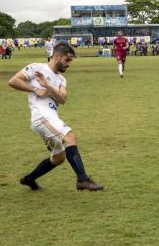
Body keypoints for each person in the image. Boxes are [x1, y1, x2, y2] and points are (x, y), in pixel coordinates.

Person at [8, 42, 103, 191]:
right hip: (41, 116)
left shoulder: (61, 80)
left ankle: (29, 179)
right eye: (67, 60)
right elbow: (13, 81)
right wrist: (34, 89)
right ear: (57, 56)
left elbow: (63, 99)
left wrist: (48, 87)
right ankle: (82, 180)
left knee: (58, 158)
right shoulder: (37, 68)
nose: (68, 64)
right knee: (69, 137)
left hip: (50, 118)